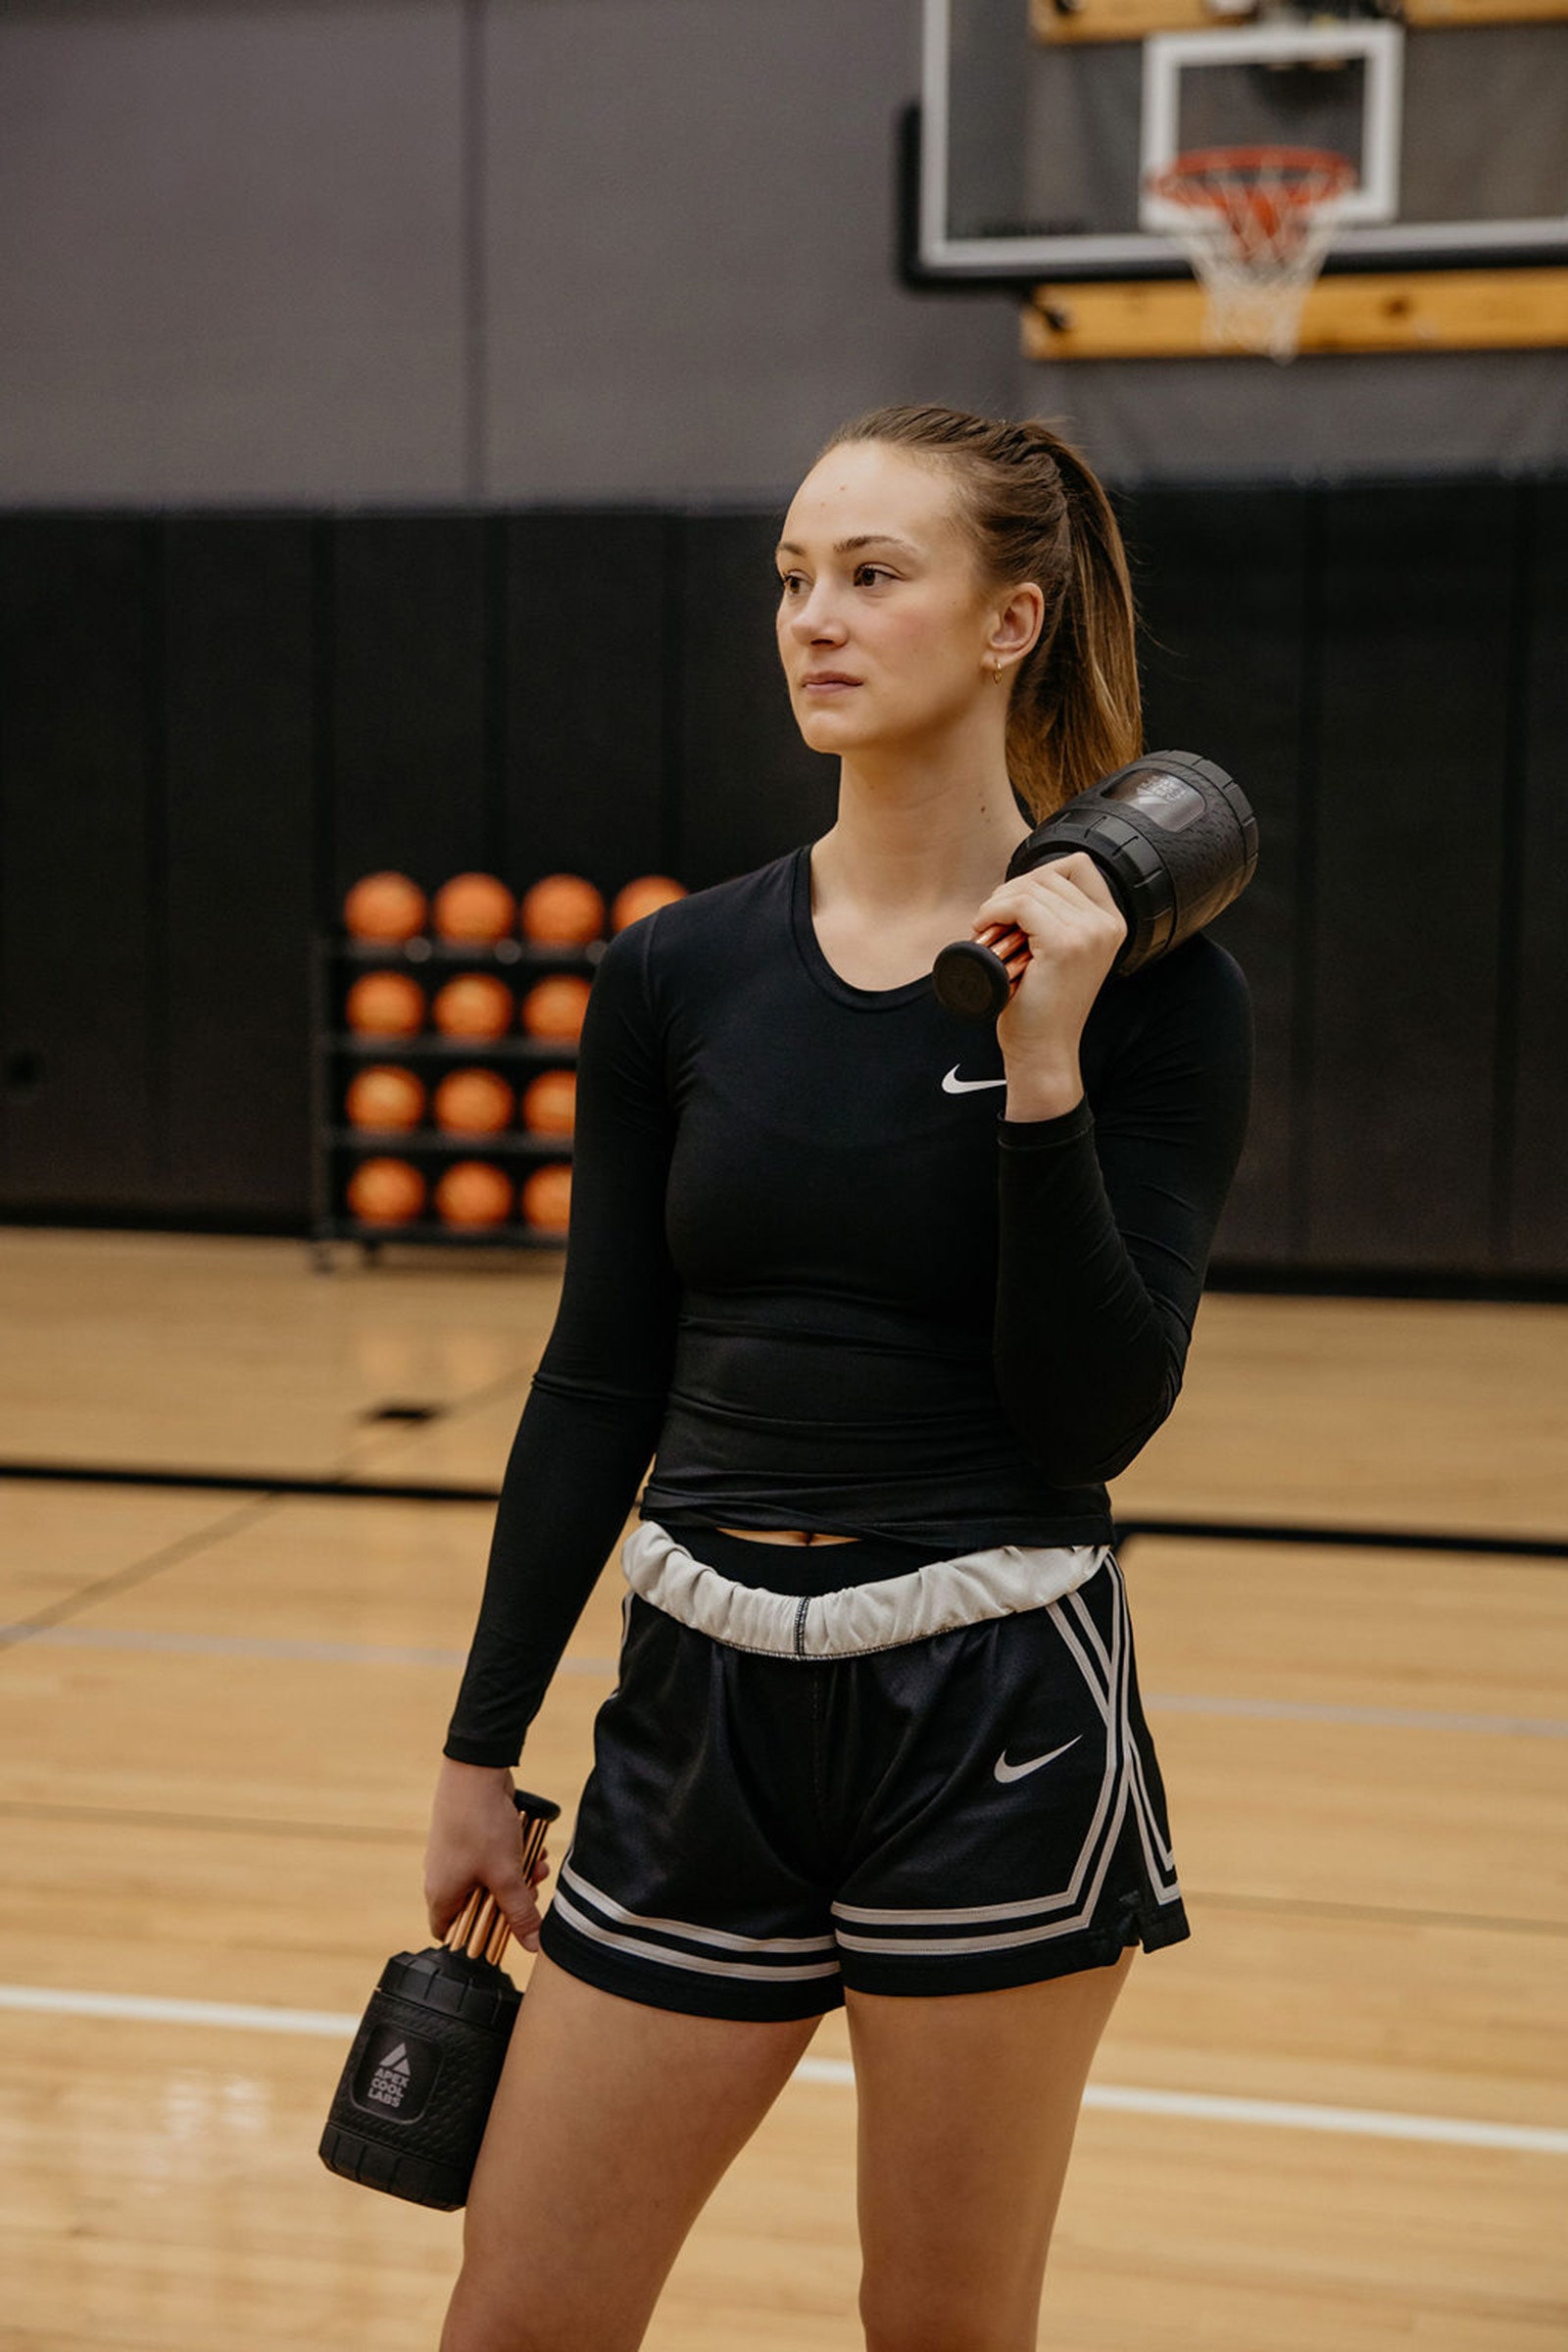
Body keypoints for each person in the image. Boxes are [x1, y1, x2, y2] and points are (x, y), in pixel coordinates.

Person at [424, 405, 1252, 2352]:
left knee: (938, 2334)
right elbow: (592, 1381)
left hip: (993, 1713)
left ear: (1006, 622)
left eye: (873, 575)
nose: (812, 617)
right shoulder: (674, 975)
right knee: (517, 2318)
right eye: (792, 576)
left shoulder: (1158, 992)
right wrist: (478, 1748)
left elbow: (1093, 1418)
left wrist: (1038, 1064)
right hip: (695, 1698)